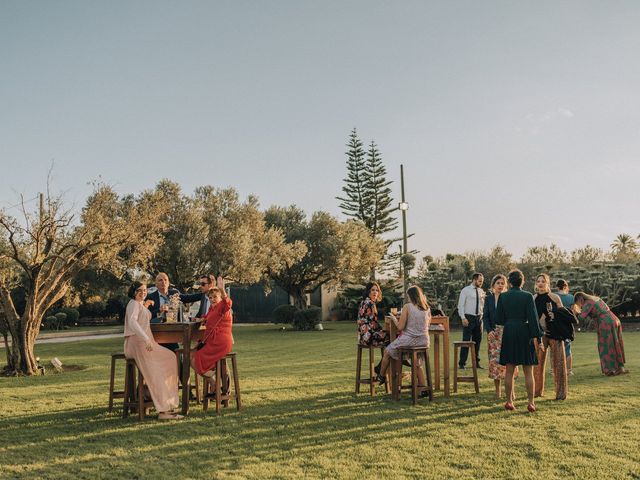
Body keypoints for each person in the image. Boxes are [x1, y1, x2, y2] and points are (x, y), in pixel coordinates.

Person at [123, 281, 182, 420]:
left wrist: (147, 306)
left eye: (145, 290)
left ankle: (167, 404)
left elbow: (142, 318)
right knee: (157, 370)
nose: (143, 292)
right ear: (133, 291)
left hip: (145, 342)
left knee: (170, 357)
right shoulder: (133, 304)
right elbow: (132, 321)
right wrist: (146, 339)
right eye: (140, 290)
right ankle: (163, 411)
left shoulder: (138, 305)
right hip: (138, 343)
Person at [497, 269, 544, 413]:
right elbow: (534, 320)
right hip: (525, 332)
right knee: (528, 371)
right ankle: (531, 403)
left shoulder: (503, 297)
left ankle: (509, 401)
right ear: (522, 281)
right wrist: (539, 338)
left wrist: (510, 321)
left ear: (509, 282)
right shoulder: (528, 296)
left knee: (509, 370)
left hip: (509, 331)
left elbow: (499, 319)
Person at [377, 286, 431, 396]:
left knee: (387, 351)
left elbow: (400, 327)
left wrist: (393, 318)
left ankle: (381, 376)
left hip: (410, 339)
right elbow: (427, 325)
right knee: (417, 363)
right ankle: (423, 388)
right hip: (424, 341)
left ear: (410, 296)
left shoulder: (407, 307)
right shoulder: (426, 308)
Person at [574, 292, 627, 376]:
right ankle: (621, 368)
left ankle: (610, 370)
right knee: (615, 343)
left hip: (605, 322)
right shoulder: (596, 299)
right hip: (614, 319)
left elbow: (581, 317)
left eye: (578, 304)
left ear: (580, 299)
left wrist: (576, 312)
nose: (580, 305)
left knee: (605, 346)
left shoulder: (588, 302)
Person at [191, 276, 233, 382]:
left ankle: (217, 383)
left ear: (220, 297)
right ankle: (216, 383)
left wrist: (222, 290)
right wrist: (195, 319)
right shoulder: (212, 308)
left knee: (196, 358)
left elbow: (228, 303)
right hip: (212, 341)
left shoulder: (222, 307)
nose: (212, 299)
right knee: (191, 356)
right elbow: (205, 318)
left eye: (215, 297)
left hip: (220, 342)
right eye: (210, 298)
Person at [533, 273, 568, 400]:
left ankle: (561, 393)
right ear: (536, 284)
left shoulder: (555, 298)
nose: (541, 283)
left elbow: (563, 316)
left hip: (555, 335)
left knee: (558, 363)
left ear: (548, 283)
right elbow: (532, 318)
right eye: (539, 281)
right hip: (540, 335)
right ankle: (537, 391)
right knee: (537, 364)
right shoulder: (533, 298)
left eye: (543, 281)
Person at [483, 274, 517, 399]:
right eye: (498, 283)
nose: (500, 285)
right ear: (493, 285)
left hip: (507, 333)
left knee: (509, 362)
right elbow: (485, 316)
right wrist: (489, 330)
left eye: (503, 283)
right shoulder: (488, 299)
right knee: (495, 363)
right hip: (493, 334)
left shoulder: (509, 298)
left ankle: (511, 391)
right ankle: (497, 392)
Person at [146, 272, 181, 352]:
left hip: (172, 332)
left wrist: (204, 293)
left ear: (168, 283)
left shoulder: (174, 294)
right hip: (157, 334)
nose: (163, 282)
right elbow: (147, 316)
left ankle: (179, 364)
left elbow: (188, 298)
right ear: (156, 284)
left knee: (176, 353)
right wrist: (159, 310)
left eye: (165, 280)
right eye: (160, 280)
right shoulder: (150, 297)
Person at [457, 273, 485, 370]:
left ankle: (476, 363)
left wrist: (482, 316)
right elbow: (460, 305)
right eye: (480, 281)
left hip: (479, 318)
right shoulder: (465, 290)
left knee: (478, 341)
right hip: (468, 318)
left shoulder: (481, 291)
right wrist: (463, 317)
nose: (481, 283)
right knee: (466, 341)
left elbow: (482, 305)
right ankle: (462, 363)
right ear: (474, 280)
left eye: (482, 281)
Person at [357, 282, 389, 348]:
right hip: (369, 337)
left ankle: (387, 358)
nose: (375, 292)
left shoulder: (364, 301)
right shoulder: (370, 303)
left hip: (362, 337)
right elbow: (374, 322)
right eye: (373, 290)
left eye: (377, 290)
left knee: (388, 336)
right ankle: (389, 358)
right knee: (392, 336)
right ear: (368, 291)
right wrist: (383, 330)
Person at [555, 279, 575, 375]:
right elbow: (572, 312)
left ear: (557, 287)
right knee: (568, 348)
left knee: (555, 348)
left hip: (556, 325)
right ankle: (569, 370)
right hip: (567, 325)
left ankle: (554, 370)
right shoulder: (571, 297)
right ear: (565, 286)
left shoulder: (554, 296)